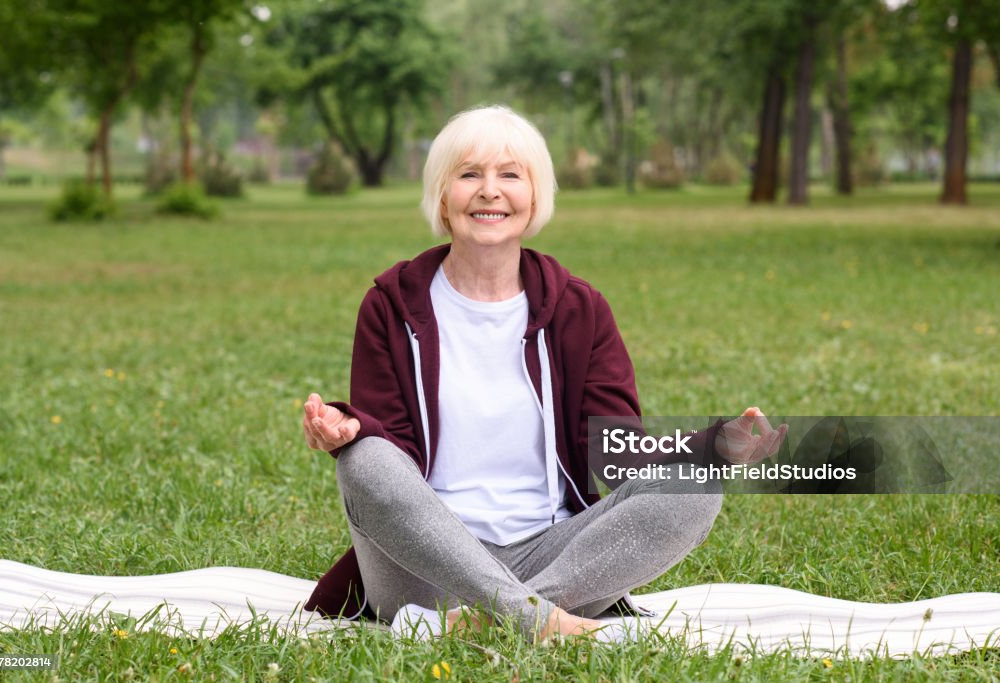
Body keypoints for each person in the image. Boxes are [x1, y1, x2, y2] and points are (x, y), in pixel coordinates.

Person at [300, 105, 786, 643]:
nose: (490, 191)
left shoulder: (580, 308)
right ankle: (538, 621)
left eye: (510, 174)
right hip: (428, 566)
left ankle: (491, 623)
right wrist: (353, 430)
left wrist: (712, 447)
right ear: (442, 195)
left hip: (550, 554)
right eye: (468, 175)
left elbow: (617, 450)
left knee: (696, 485)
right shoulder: (392, 306)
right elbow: (393, 456)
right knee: (364, 461)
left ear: (535, 198)